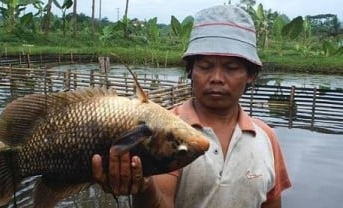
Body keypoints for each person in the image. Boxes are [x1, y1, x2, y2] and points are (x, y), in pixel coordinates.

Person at [92, 4, 291, 208]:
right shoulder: (166, 131)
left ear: (250, 75)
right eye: (205, 66)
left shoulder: (266, 138)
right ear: (191, 70)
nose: (216, 78)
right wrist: (144, 187)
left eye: (231, 68)